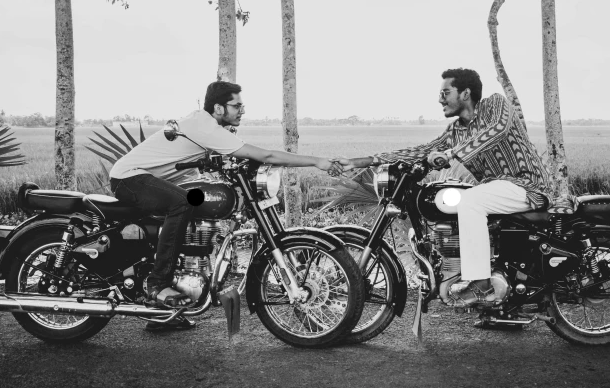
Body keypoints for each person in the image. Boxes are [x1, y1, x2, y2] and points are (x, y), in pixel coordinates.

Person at [109, 81, 344, 329]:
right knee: (182, 202)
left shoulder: (209, 125)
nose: (242, 110)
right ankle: (158, 285)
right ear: (219, 108)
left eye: (242, 105)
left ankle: (161, 315)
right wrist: (317, 161)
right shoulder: (205, 127)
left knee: (191, 209)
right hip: (129, 178)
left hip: (149, 180)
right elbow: (267, 155)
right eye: (237, 105)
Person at [341, 68, 551, 308]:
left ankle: (481, 286)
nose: (440, 99)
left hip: (526, 185)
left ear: (465, 93)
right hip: (499, 190)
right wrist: (364, 161)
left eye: (445, 92)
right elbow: (423, 150)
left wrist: (451, 154)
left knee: (470, 201)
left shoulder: (494, 104)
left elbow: (497, 130)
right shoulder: (455, 131)